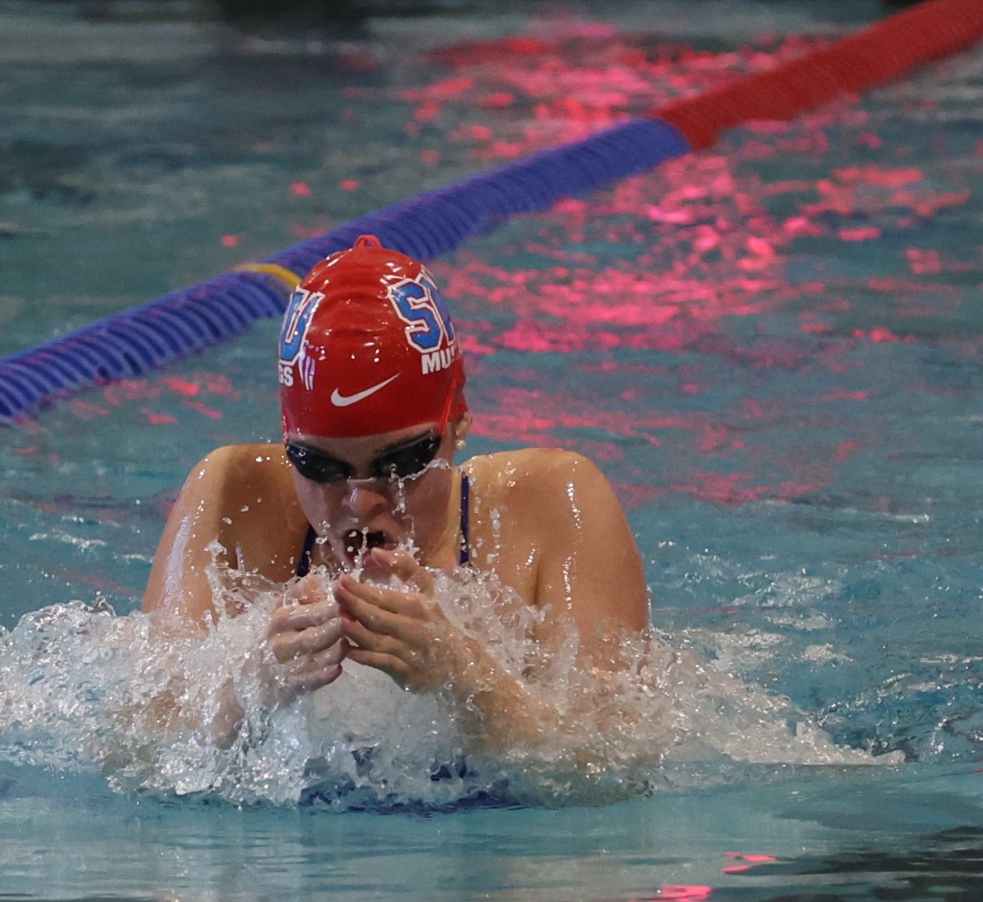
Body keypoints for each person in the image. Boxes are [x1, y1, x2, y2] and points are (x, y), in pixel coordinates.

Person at [142, 234, 648, 753]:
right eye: (319, 465)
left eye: (401, 463)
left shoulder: (554, 506)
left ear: (459, 424)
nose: (361, 502)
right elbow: (136, 748)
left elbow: (615, 762)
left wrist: (466, 678)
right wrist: (250, 686)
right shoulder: (232, 498)